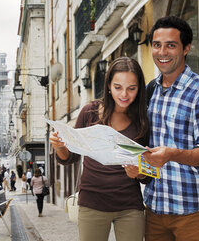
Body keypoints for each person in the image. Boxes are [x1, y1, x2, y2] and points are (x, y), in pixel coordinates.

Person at [50, 57, 150, 241]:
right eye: (118, 87)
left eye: (132, 88)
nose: (124, 95)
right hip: (92, 203)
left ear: (139, 88)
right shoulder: (90, 112)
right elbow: (70, 157)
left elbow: (148, 172)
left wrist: (138, 173)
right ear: (109, 86)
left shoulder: (143, 119)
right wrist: (59, 146)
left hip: (130, 206)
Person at [142, 16, 199, 241]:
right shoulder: (150, 91)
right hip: (155, 209)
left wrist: (171, 155)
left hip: (193, 210)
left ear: (186, 48)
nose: (162, 52)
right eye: (157, 45)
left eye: (171, 45)